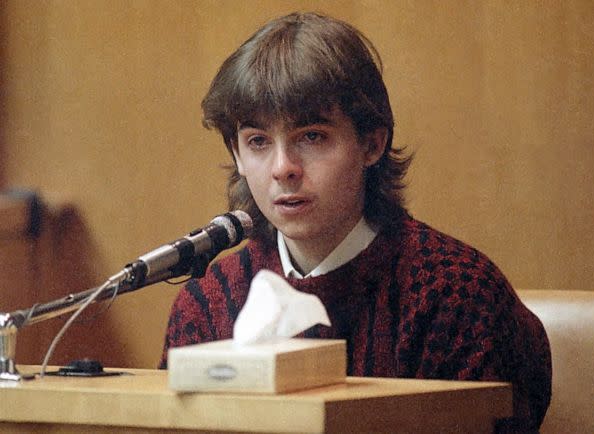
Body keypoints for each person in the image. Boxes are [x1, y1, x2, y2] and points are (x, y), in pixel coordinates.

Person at [160, 12, 551, 432]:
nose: (282, 168)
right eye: (258, 142)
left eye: (311, 137)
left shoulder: (457, 295)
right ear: (237, 155)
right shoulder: (207, 304)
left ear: (372, 143)